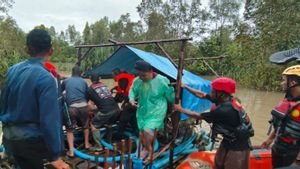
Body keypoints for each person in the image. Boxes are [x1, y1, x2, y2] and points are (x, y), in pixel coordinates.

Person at [0, 29, 69, 169]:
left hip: (8, 139)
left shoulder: (12, 70)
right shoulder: (47, 78)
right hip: (29, 144)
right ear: (51, 50)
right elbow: (50, 121)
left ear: (26, 49)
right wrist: (55, 155)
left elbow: (3, 103)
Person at [174, 77, 253, 169]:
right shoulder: (227, 99)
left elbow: (199, 115)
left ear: (221, 94)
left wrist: (180, 109)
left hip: (238, 146)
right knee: (218, 163)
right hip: (228, 139)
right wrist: (185, 86)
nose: (210, 93)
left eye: (213, 91)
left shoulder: (225, 110)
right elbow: (202, 95)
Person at [129, 60, 175, 160]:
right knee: (142, 131)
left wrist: (174, 99)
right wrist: (131, 99)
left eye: (143, 75)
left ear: (151, 71)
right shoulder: (138, 80)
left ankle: (148, 151)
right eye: (139, 75)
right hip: (142, 110)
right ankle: (146, 147)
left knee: (147, 130)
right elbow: (132, 90)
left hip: (157, 110)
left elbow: (170, 97)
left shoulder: (162, 80)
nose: (141, 78)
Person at [261, 65, 300, 168]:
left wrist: (297, 161)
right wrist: (270, 139)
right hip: (278, 148)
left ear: (292, 83)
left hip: (293, 153)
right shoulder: (289, 101)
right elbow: (282, 123)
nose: (282, 83)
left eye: (284, 80)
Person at [62, 66, 91, 157]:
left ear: (72, 72)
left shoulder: (66, 81)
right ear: (80, 73)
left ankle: (71, 151)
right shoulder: (83, 81)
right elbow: (87, 94)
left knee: (69, 129)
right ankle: (86, 144)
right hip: (84, 106)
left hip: (72, 108)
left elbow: (59, 92)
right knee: (86, 126)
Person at [88, 74, 120, 149]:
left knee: (93, 124)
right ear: (100, 78)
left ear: (90, 79)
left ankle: (98, 146)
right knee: (109, 124)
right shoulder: (104, 85)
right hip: (116, 109)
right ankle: (108, 142)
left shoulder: (90, 89)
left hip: (106, 110)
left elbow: (90, 105)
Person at [111, 68, 138, 134]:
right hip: (136, 99)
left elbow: (125, 93)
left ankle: (119, 135)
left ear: (116, 75)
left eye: (112, 76)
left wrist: (123, 104)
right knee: (132, 118)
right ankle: (137, 132)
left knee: (123, 118)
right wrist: (115, 88)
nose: (112, 78)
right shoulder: (124, 77)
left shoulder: (121, 79)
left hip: (133, 99)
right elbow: (124, 88)